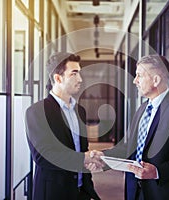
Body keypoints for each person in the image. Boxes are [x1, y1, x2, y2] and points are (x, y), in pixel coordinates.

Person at [102, 54, 169, 200]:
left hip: (163, 193)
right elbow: (130, 147)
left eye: (139, 76)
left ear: (156, 80)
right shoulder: (142, 109)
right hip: (135, 190)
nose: (135, 81)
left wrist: (157, 172)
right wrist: (103, 156)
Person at [25, 52, 102, 200]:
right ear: (58, 78)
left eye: (79, 73)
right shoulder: (36, 112)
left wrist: (88, 164)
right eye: (74, 74)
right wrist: (83, 159)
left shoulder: (80, 110)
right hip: (54, 193)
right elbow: (43, 157)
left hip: (81, 192)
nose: (80, 79)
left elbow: (81, 149)